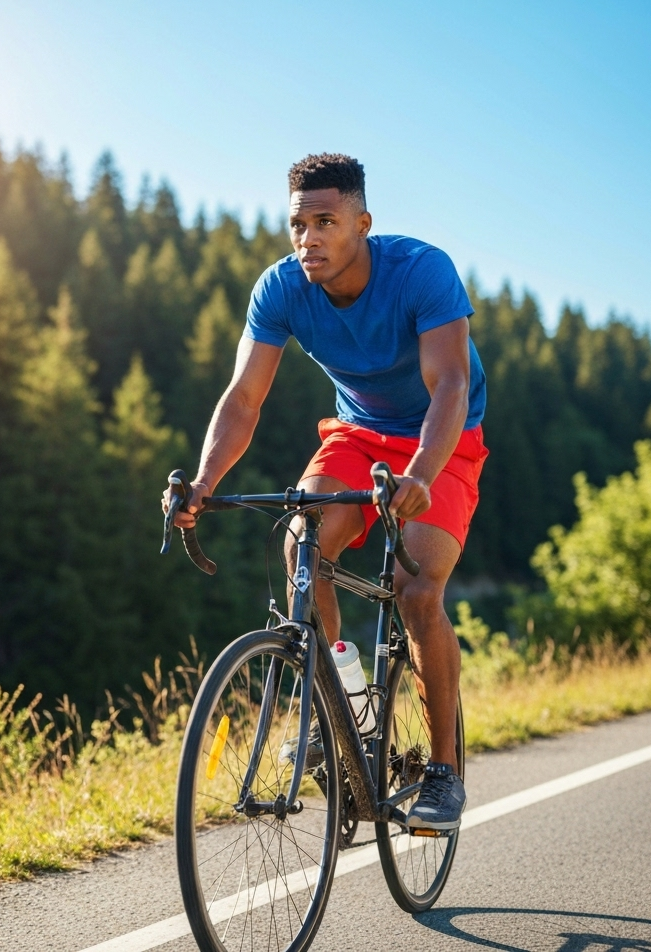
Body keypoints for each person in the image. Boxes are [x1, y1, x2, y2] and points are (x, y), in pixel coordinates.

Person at [167, 152, 487, 831]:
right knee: (301, 547)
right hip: (359, 434)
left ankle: (445, 771)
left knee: (418, 590)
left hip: (443, 438)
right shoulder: (281, 289)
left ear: (361, 224)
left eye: (325, 222)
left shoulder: (421, 272)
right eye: (296, 225)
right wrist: (201, 484)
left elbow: (450, 385)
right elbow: (244, 398)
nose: (307, 238)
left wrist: (422, 476)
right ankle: (347, 706)